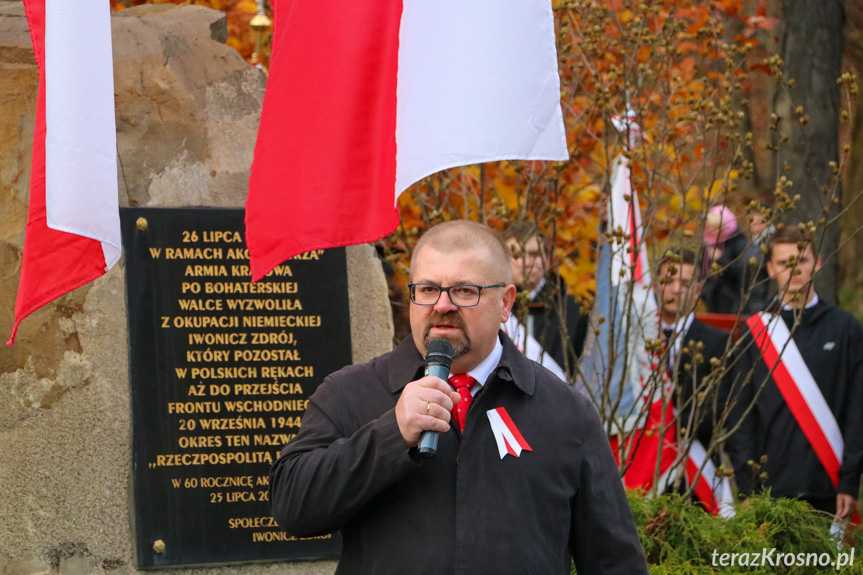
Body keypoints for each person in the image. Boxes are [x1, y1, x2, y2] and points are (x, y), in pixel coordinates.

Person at [268, 220, 648, 574]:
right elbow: (293, 508)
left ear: (505, 303)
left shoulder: (566, 412)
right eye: (428, 289)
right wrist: (391, 434)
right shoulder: (352, 392)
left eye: (465, 291)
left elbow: (614, 561)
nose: (443, 305)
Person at [725, 226, 863, 518]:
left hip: (830, 490)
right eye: (784, 263)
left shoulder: (847, 329)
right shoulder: (754, 334)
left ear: (817, 263)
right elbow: (740, 416)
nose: (794, 270)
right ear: (770, 269)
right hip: (768, 492)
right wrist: (747, 488)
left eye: (801, 260)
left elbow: (858, 410)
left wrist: (850, 482)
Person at [655, 249, 729, 451]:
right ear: (655, 284)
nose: (676, 290)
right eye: (668, 281)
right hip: (642, 460)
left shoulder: (718, 342)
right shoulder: (636, 338)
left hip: (694, 460)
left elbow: (717, 406)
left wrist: (667, 431)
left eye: (685, 284)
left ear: (697, 290)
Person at [503, 222, 588, 376]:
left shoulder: (573, 312)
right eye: (518, 255)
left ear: (547, 260)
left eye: (534, 254)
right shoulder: (493, 308)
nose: (527, 263)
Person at [701, 205, 748, 315]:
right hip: (712, 297)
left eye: (717, 227)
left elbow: (741, 273)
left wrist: (720, 259)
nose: (712, 231)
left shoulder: (739, 243)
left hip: (732, 301)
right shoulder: (708, 243)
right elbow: (701, 269)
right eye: (710, 227)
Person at [741, 203, 775, 314]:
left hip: (763, 304)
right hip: (750, 302)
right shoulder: (753, 243)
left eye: (759, 216)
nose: (754, 221)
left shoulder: (771, 242)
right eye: (752, 217)